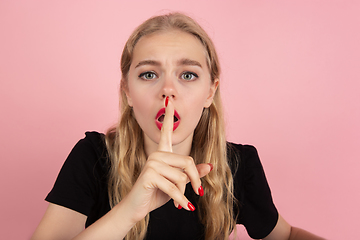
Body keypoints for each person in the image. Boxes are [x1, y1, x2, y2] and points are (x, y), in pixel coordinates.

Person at [31, 12, 325, 240]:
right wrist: (131, 209)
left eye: (188, 75)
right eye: (148, 74)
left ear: (210, 91)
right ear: (127, 92)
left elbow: (285, 235)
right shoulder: (93, 156)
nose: (168, 89)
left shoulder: (239, 165)